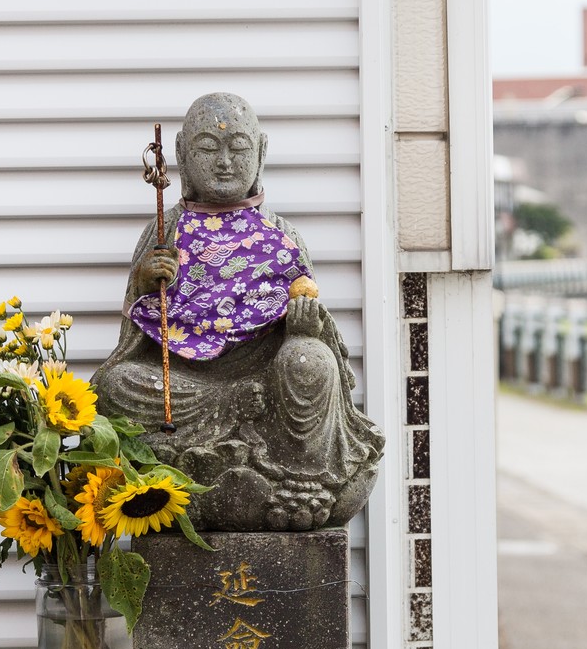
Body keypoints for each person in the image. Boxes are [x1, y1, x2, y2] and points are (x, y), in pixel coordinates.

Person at [92, 93, 383, 531]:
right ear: (181, 154)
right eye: (208, 148)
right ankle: (232, 421)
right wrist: (143, 282)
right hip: (191, 384)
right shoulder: (166, 230)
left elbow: (311, 333)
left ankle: (301, 477)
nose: (225, 162)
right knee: (115, 385)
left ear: (261, 152)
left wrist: (304, 328)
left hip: (263, 383)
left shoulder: (280, 234)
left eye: (239, 148)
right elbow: (135, 341)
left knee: (310, 361)